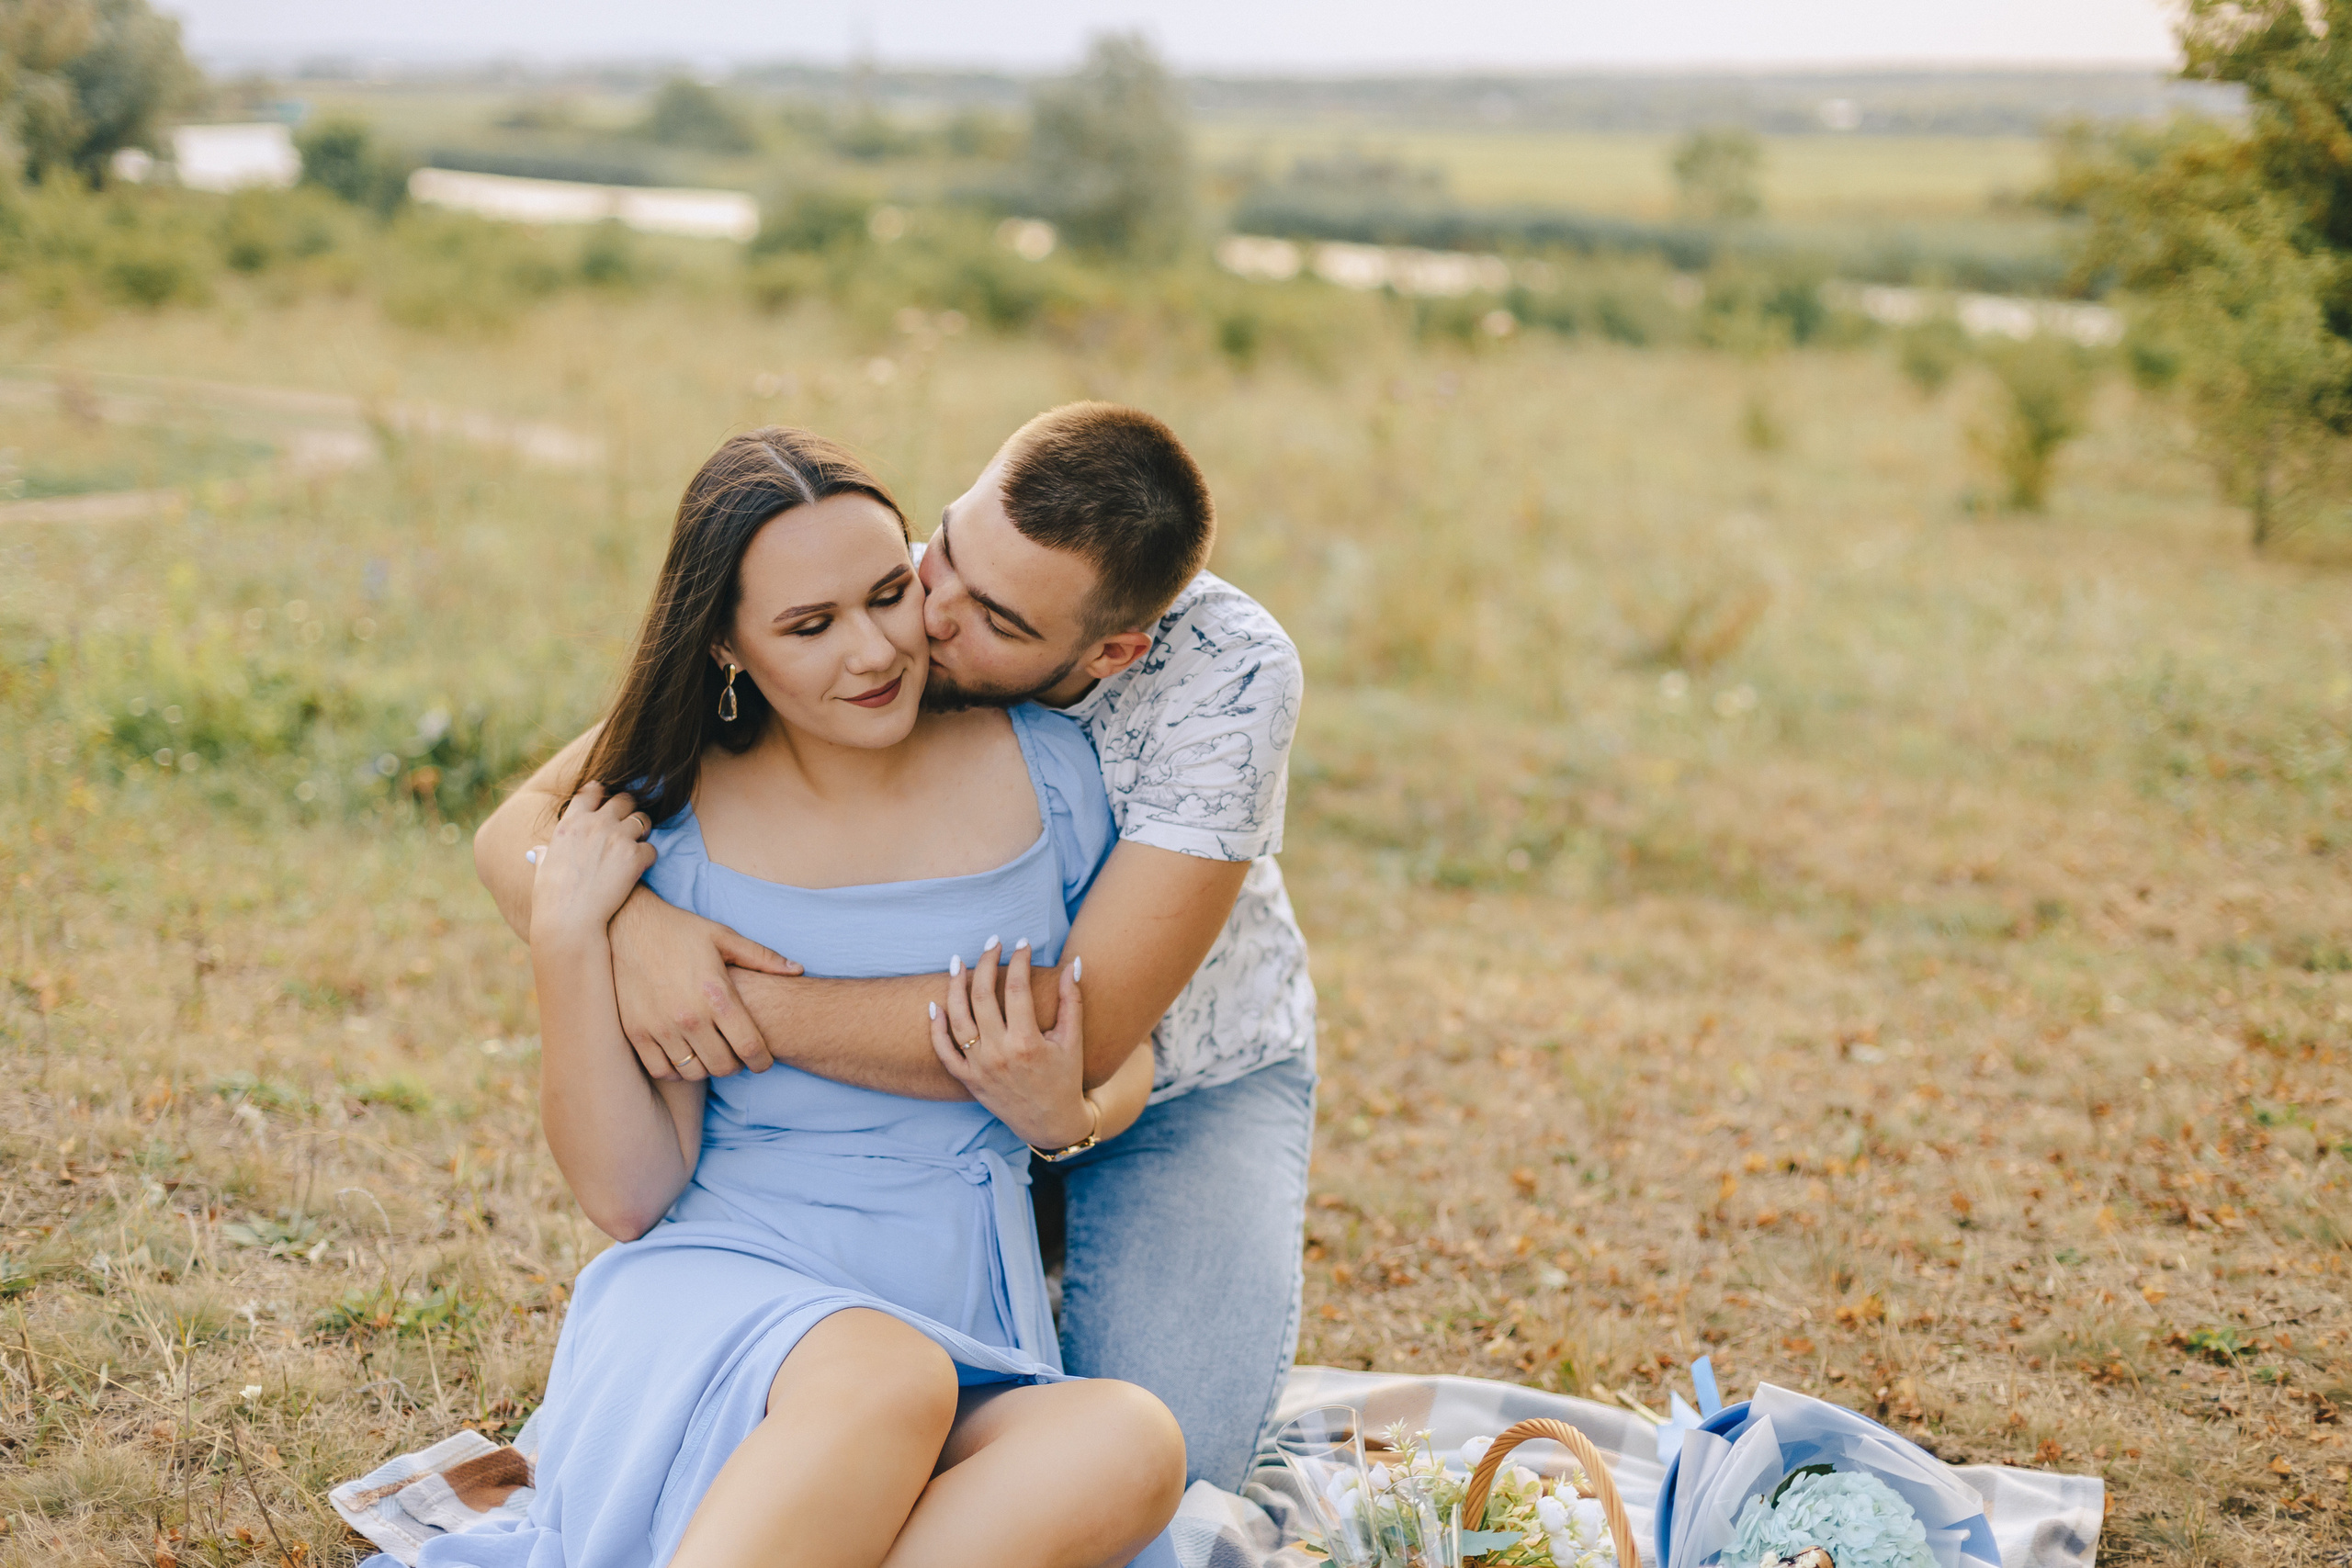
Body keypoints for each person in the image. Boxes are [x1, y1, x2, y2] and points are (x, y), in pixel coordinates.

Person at [476, 403, 1317, 1491]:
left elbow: (1079, 1035)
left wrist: (721, 996)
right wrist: (628, 931)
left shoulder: (1223, 684)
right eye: (940, 553)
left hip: (1177, 1076)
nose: (921, 627)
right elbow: (521, 825)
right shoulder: (872, 588)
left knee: (1168, 1473)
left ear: (1109, 653)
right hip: (876, 1170)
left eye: (992, 620)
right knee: (879, 1410)